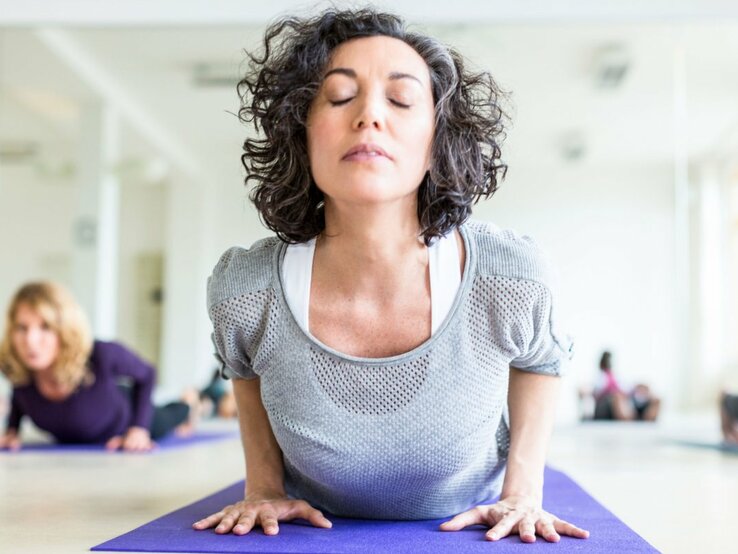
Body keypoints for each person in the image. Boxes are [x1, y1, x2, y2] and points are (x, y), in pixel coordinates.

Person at [193, 9, 589, 544]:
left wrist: (522, 492)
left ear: (436, 141)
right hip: (317, 518)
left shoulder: (511, 274)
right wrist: (262, 487)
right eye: (337, 97)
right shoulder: (246, 289)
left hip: (464, 512)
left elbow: (542, 359)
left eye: (401, 100)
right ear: (302, 133)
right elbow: (244, 370)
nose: (369, 116)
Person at [0, 281, 192, 451]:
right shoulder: (17, 369)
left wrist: (139, 429)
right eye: (22, 328)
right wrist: (12, 430)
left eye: (45, 327)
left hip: (130, 414)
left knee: (175, 414)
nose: (30, 341)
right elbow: (21, 395)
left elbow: (148, 373)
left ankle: (193, 402)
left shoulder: (100, 354)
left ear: (65, 330)